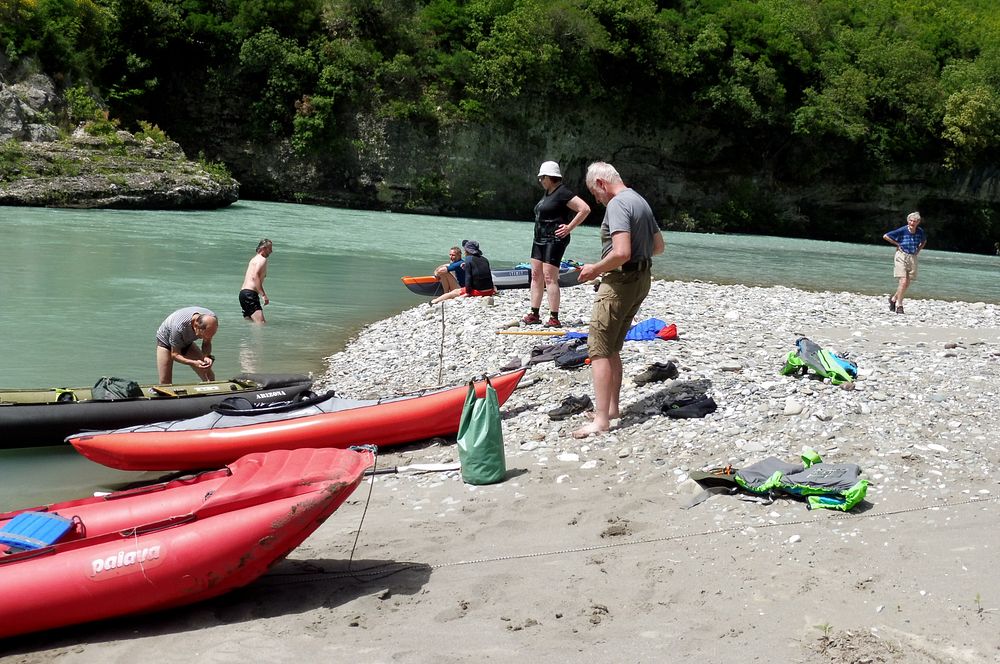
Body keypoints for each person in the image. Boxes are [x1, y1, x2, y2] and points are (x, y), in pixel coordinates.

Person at [572, 162, 664, 439]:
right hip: (641, 279)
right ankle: (611, 409)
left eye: (595, 193)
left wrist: (595, 269)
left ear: (601, 183)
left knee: (598, 348)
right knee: (612, 346)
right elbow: (658, 247)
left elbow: (621, 251)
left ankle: (601, 421)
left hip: (620, 282)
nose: (597, 200)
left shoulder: (617, 204)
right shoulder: (640, 201)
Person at [523, 161, 591, 328]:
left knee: (549, 277)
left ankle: (554, 317)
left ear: (550, 177)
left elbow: (585, 209)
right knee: (536, 275)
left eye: (542, 177)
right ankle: (534, 313)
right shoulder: (548, 193)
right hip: (539, 238)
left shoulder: (563, 193)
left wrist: (569, 227)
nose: (540, 180)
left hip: (554, 239)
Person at [156, 307, 219, 383]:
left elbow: (207, 343)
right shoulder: (178, 327)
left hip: (186, 341)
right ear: (196, 326)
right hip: (165, 341)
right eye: (204, 336)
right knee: (165, 381)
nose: (205, 338)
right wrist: (193, 362)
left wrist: (206, 356)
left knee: (209, 376)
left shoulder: (212, 320)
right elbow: (175, 355)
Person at [882, 212, 926, 315]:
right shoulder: (902, 230)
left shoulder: (920, 231)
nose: (912, 223)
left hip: (912, 256)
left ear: (918, 222)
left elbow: (924, 241)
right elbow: (886, 236)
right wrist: (897, 244)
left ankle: (893, 299)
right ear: (908, 221)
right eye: (911, 221)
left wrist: (918, 250)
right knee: (903, 280)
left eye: (915, 221)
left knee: (907, 282)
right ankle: (899, 305)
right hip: (901, 255)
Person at [430, 240, 496, 304]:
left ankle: (434, 301)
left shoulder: (468, 259)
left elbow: (468, 277)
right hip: (490, 291)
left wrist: (467, 293)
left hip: (479, 292)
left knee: (454, 292)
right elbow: (488, 275)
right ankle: (441, 297)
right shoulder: (484, 259)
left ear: (467, 251)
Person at [239, 238, 272, 323]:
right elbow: (255, 276)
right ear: (263, 248)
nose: (271, 251)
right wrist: (263, 295)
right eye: (270, 248)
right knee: (261, 324)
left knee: (250, 322)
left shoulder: (254, 259)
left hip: (243, 294)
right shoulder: (262, 259)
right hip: (250, 295)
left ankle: (245, 337)